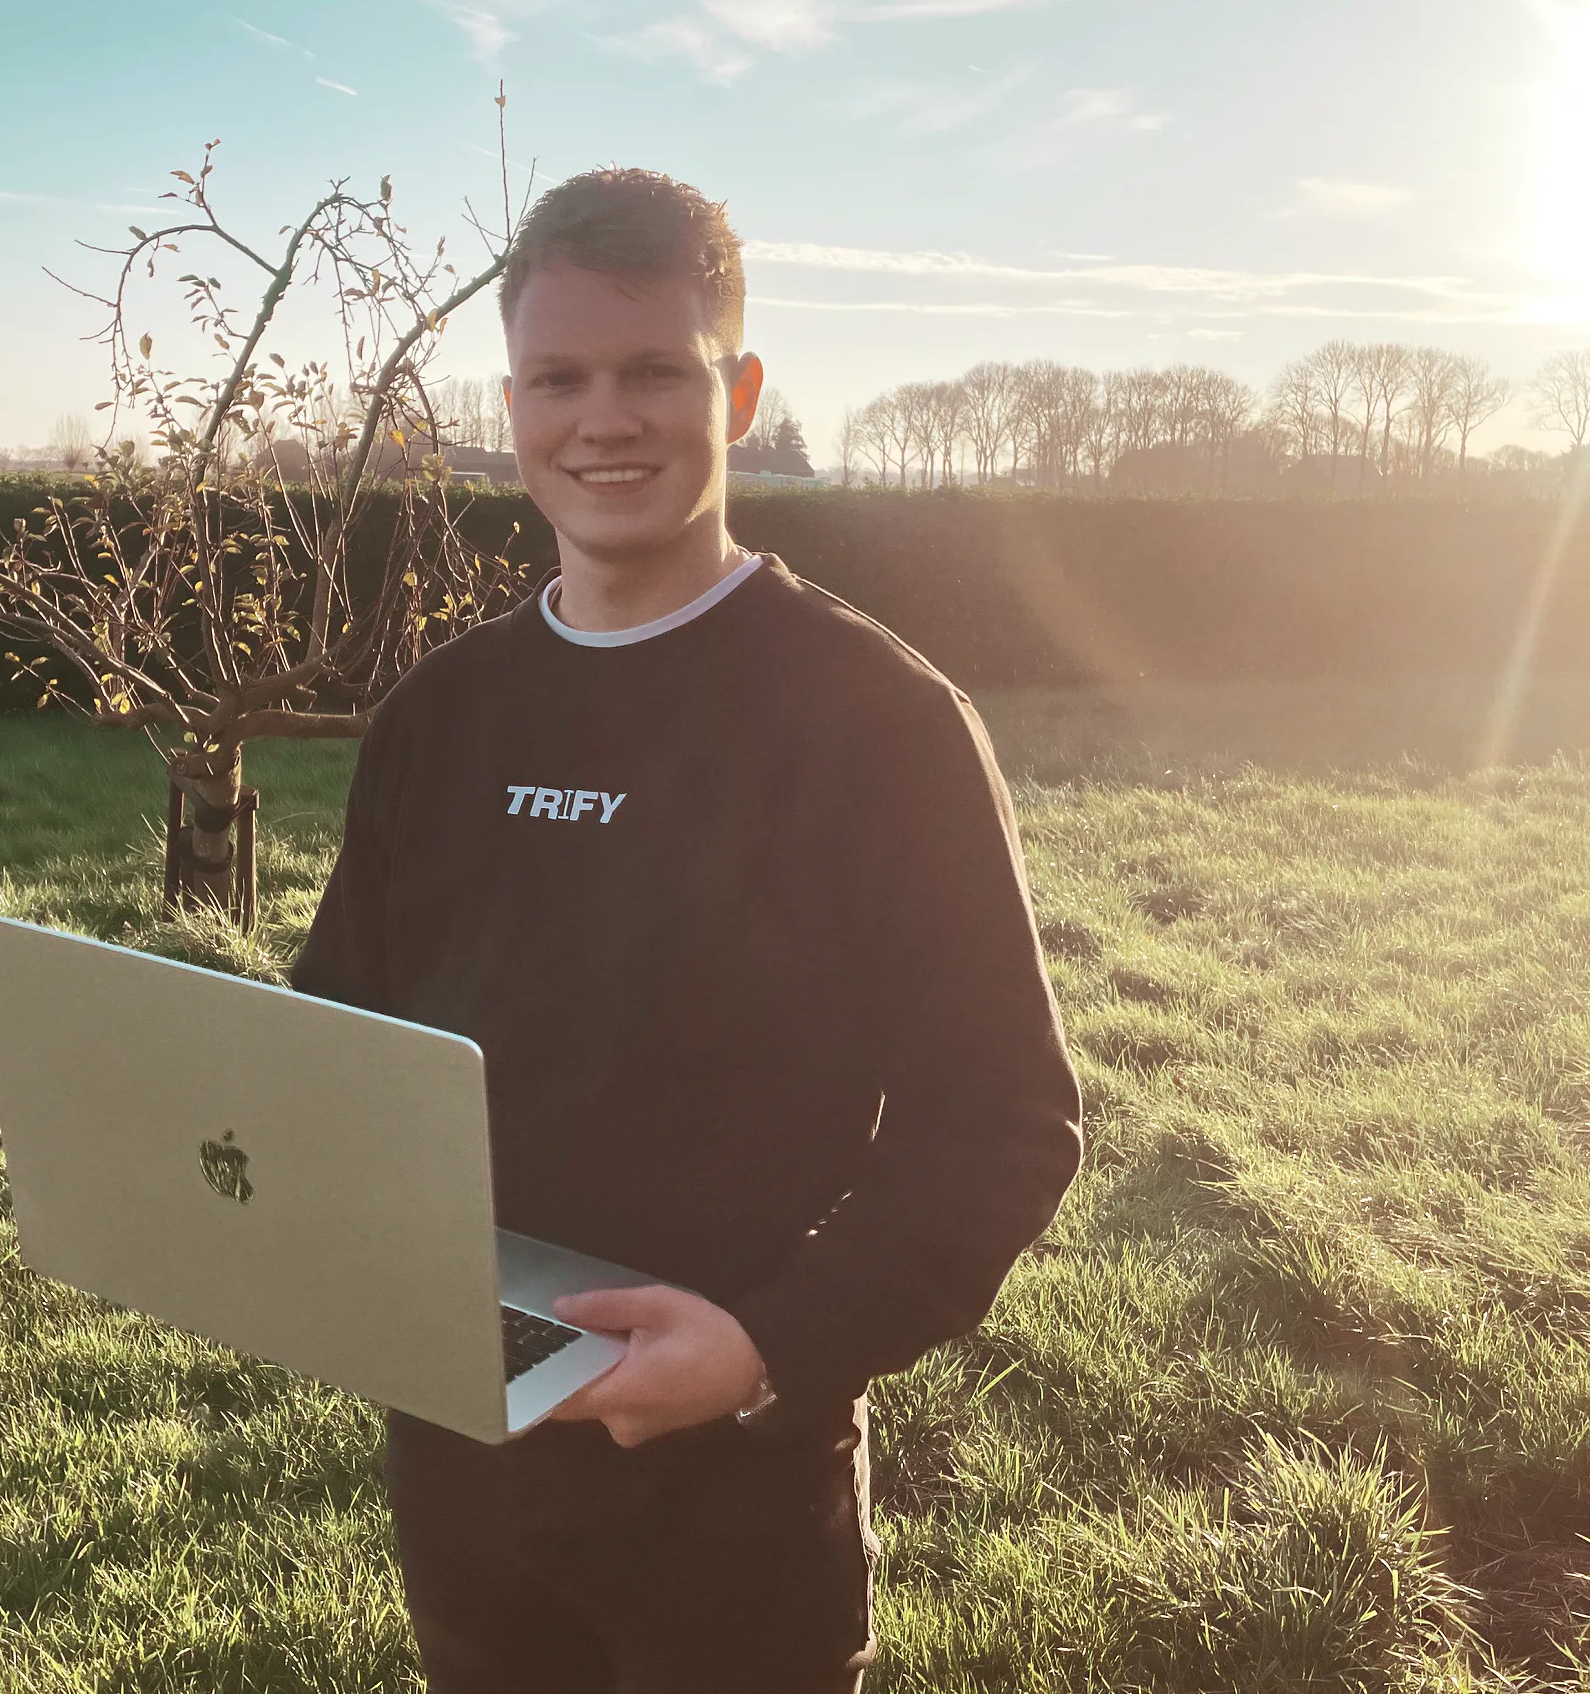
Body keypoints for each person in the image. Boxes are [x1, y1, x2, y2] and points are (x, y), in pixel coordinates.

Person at [290, 168, 1082, 1694]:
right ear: (509, 399)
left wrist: (770, 1345)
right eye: (558, 378)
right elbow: (343, 1046)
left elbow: (1004, 1124)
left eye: (655, 370)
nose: (604, 420)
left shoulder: (883, 723)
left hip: (736, 1498)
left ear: (740, 390)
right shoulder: (436, 721)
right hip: (467, 1469)